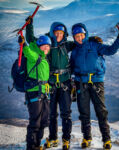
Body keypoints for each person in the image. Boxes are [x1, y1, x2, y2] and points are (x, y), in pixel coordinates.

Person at [70, 23, 119, 150]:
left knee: (101, 111)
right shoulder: (74, 51)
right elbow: (71, 67)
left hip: (96, 82)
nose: (79, 38)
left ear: (85, 34)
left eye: (81, 35)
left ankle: (106, 139)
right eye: (76, 36)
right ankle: (87, 138)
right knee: (84, 112)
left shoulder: (94, 45)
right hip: (81, 83)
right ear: (73, 37)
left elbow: (110, 50)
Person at [25, 17, 74, 150]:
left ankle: (66, 139)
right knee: (51, 114)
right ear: (52, 32)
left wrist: (92, 40)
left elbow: (81, 43)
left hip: (64, 83)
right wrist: (29, 26)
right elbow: (31, 40)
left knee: (66, 113)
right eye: (56, 32)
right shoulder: (47, 43)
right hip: (50, 84)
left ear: (64, 34)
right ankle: (53, 138)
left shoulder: (66, 45)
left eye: (61, 33)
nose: (59, 35)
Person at [18, 35, 51, 150]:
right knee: (35, 122)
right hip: (34, 92)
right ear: (39, 46)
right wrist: (23, 44)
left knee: (44, 121)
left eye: (48, 46)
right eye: (44, 46)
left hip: (44, 93)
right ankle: (31, 147)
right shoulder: (35, 55)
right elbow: (28, 52)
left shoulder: (44, 58)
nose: (46, 48)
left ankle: (37, 145)